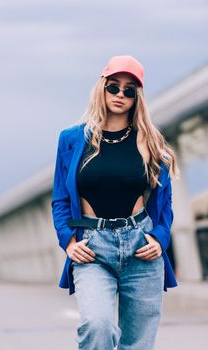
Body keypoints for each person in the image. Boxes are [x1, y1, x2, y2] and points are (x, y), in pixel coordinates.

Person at [51, 55, 180, 350]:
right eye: (113, 87)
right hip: (92, 247)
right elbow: (60, 199)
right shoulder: (71, 139)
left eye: (129, 90)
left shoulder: (150, 142)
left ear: (137, 98)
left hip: (141, 247)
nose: (120, 95)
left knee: (137, 344)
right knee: (97, 326)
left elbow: (165, 202)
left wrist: (160, 239)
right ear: (102, 88)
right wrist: (69, 243)